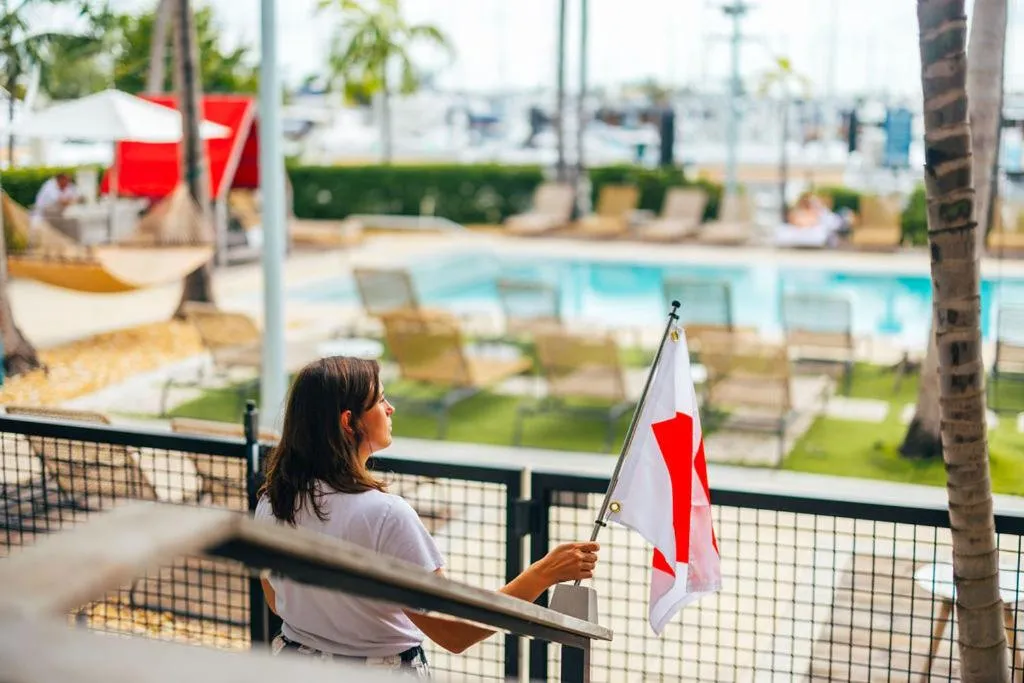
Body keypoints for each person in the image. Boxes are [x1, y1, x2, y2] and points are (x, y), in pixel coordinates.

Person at [254, 356, 600, 677]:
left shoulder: (273, 502)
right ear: (349, 422)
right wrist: (543, 573)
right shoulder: (385, 515)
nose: (391, 408)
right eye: (379, 401)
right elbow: (455, 632)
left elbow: (277, 600)